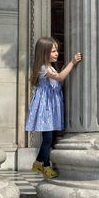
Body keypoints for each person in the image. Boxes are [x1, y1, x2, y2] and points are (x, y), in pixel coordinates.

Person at [25, 36, 83, 178]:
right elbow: (61, 77)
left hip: (50, 106)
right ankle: (42, 165)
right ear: (44, 53)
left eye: (57, 50)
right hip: (46, 108)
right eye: (53, 51)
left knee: (48, 138)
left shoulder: (50, 67)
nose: (56, 53)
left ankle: (41, 165)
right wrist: (72, 62)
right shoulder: (43, 69)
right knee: (48, 138)